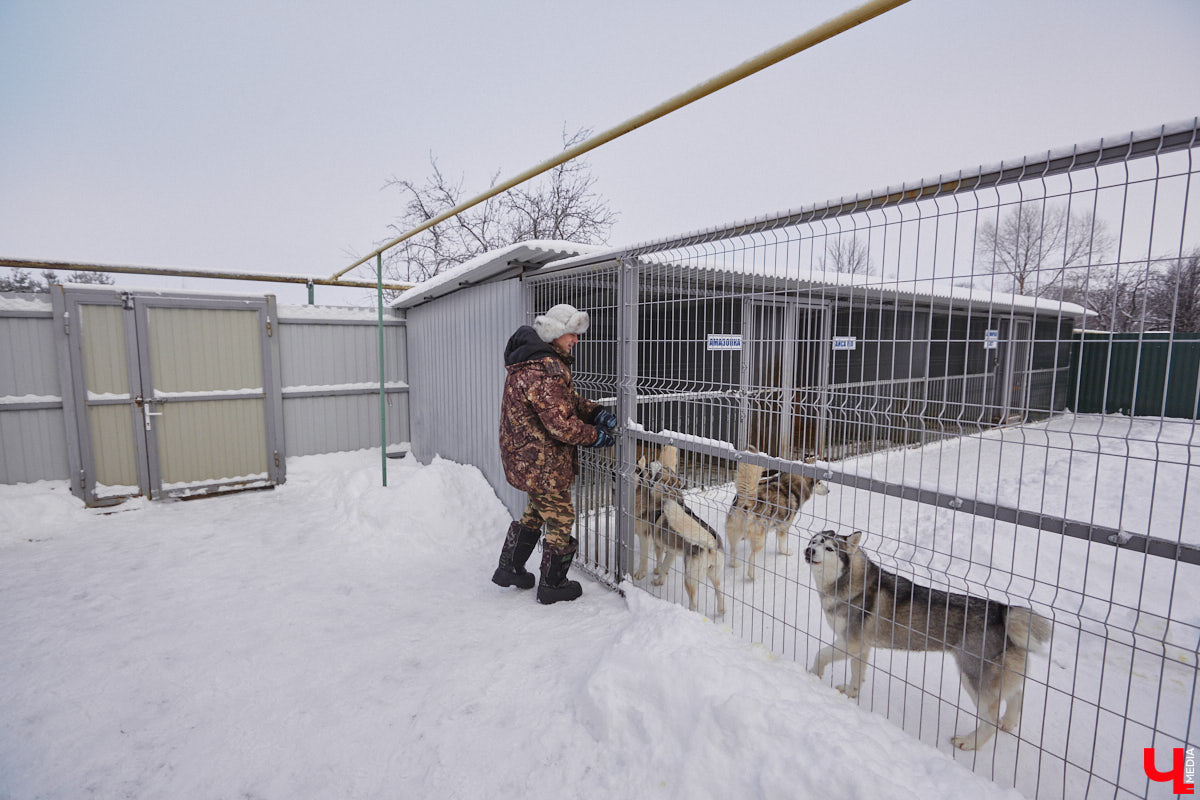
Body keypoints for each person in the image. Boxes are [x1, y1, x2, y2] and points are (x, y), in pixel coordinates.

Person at [492, 303, 618, 604]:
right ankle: (553, 585)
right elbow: (560, 425)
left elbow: (565, 400)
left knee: (537, 510)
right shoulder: (545, 369)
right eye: (572, 333)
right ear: (556, 332)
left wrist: (594, 411)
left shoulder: (536, 361)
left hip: (527, 457)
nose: (576, 339)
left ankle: (509, 568)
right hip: (541, 462)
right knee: (561, 518)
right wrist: (595, 436)